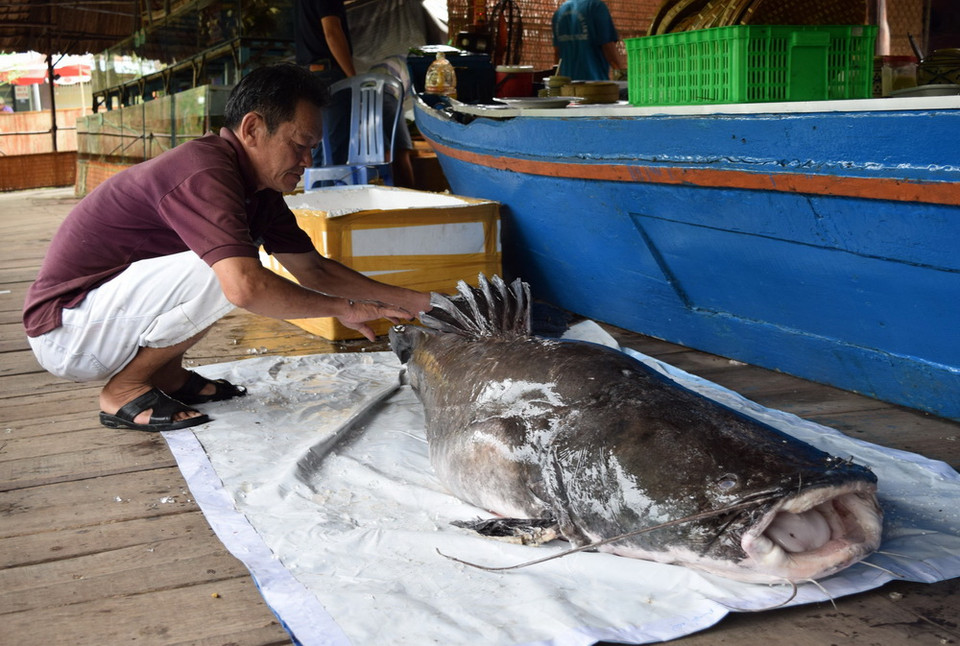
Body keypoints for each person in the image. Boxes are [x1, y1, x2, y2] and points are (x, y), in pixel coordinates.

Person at [22, 63, 431, 433]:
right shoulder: (204, 170)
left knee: (228, 268)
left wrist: (422, 302)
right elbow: (244, 289)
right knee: (229, 272)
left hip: (105, 319)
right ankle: (124, 390)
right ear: (252, 129)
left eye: (313, 149)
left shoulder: (260, 187)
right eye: (299, 144)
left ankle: (168, 376)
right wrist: (346, 308)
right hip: (67, 329)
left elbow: (315, 271)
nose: (308, 160)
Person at [295, 0, 415, 187]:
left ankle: (319, 206)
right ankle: (332, 211)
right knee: (334, 156)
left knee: (318, 154)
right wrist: (352, 79)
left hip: (308, 76)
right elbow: (332, 32)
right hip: (328, 76)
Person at [552, 0, 626, 81]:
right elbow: (610, 53)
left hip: (567, 87)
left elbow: (557, 54)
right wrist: (623, 77)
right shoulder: (596, 7)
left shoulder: (558, 13)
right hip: (594, 86)